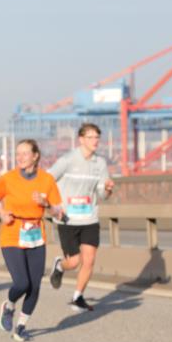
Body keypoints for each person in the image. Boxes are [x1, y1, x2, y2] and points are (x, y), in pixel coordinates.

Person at [0, 139, 63, 342]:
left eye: (25, 153)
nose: (20, 157)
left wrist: (46, 203)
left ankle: (21, 326)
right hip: (12, 231)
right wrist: (2, 211)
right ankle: (9, 305)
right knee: (22, 283)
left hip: (35, 233)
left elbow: (58, 211)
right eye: (18, 154)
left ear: (35, 155)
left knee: (35, 285)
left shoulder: (47, 180)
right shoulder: (8, 178)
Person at [47, 123, 115, 312]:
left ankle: (78, 297)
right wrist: (53, 205)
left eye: (97, 138)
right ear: (81, 139)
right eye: (91, 137)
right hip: (67, 218)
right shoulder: (68, 160)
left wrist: (107, 189)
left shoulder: (100, 163)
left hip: (89, 218)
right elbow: (47, 180)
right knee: (74, 261)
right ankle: (60, 265)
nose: (95, 141)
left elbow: (102, 193)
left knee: (90, 259)